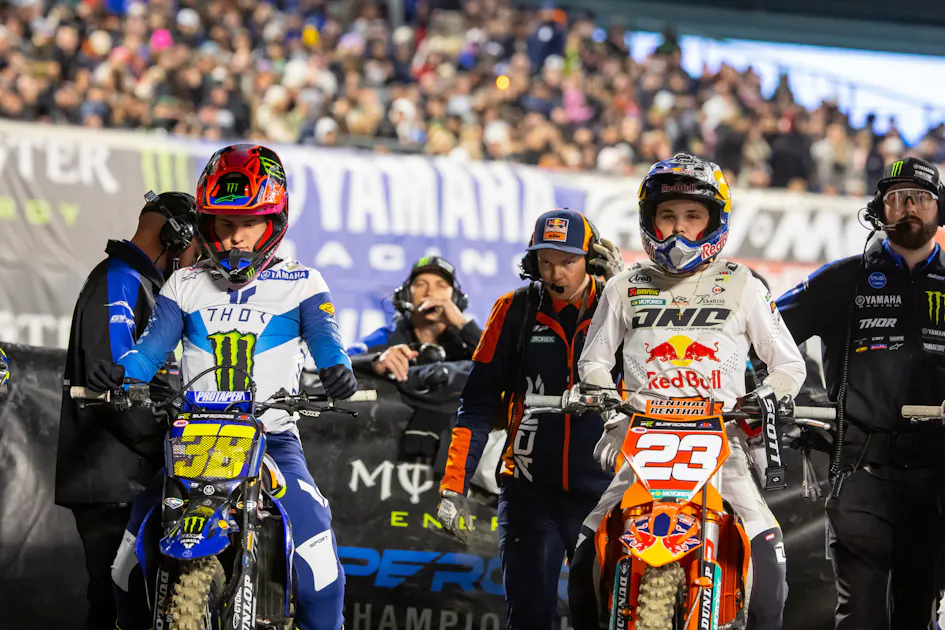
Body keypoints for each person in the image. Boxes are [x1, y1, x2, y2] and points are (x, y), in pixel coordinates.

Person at [86, 144, 357, 630]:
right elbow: (147, 354)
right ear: (208, 225)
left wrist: (338, 370)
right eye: (225, 224)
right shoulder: (184, 283)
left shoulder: (303, 281)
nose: (235, 237)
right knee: (127, 563)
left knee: (317, 565)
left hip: (272, 439)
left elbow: (326, 342)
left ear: (274, 223)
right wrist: (121, 374)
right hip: (193, 440)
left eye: (249, 224)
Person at [569, 153, 805, 630]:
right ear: (649, 220)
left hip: (721, 442)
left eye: (693, 215)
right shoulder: (623, 287)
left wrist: (765, 398)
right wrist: (609, 410)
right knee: (584, 558)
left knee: (769, 565)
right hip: (642, 439)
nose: (679, 227)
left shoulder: (742, 284)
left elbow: (788, 364)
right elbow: (593, 362)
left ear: (713, 221)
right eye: (668, 215)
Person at [776, 156, 945, 630]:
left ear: (939, 209)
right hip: (859, 472)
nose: (910, 207)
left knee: (918, 614)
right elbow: (760, 334)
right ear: (878, 209)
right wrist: (805, 395)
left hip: (936, 478)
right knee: (860, 616)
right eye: (898, 198)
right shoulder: (842, 278)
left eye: (922, 197)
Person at [437, 208, 625, 630]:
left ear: (592, 259)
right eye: (546, 261)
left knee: (602, 617)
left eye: (568, 261)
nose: (556, 273)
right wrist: (453, 488)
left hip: (606, 492)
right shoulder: (512, 310)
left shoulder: (622, 304)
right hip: (529, 493)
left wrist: (626, 291)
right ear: (531, 261)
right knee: (529, 617)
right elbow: (477, 404)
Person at [54, 191, 199, 630]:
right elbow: (119, 393)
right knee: (117, 608)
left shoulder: (139, 283)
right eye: (197, 248)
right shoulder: (120, 279)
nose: (196, 261)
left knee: (135, 607)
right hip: (113, 478)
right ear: (178, 237)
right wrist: (171, 444)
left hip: (124, 474)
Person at [347, 256, 482, 382]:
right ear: (406, 296)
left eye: (441, 286)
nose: (430, 293)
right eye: (421, 284)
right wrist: (375, 362)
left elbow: (495, 365)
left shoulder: (469, 342)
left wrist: (463, 324)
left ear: (455, 299)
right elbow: (340, 367)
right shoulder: (384, 338)